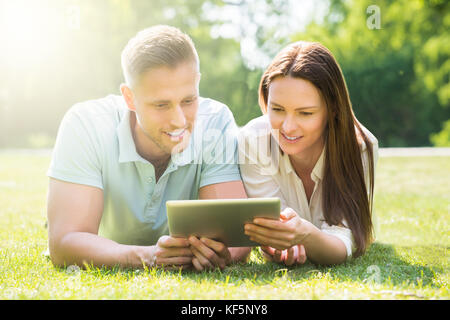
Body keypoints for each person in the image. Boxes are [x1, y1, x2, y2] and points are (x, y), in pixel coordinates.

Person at [46, 25, 251, 271]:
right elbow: (65, 243)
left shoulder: (216, 120)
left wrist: (221, 252)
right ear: (129, 98)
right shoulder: (85, 123)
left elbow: (236, 236)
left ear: (197, 83)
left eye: (188, 100)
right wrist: (146, 256)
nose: (179, 120)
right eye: (161, 105)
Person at [239, 41, 378, 266]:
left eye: (305, 113)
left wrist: (306, 236)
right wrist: (277, 240)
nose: (288, 127)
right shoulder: (252, 141)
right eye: (277, 109)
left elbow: (342, 243)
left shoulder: (360, 146)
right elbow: (272, 229)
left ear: (332, 108)